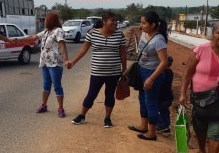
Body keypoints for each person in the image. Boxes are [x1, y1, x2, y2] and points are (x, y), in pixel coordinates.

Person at [179, 21, 219, 153]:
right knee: (200, 128)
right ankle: (201, 150)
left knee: (217, 132)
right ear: (212, 34)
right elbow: (187, 73)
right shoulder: (200, 50)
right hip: (200, 99)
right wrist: (182, 94)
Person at [65, 12, 127, 128]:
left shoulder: (120, 35)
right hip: (97, 72)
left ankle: (107, 118)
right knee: (91, 94)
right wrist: (73, 62)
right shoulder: (92, 34)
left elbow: (123, 54)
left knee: (109, 95)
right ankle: (82, 116)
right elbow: (83, 51)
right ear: (104, 21)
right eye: (112, 21)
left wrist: (124, 70)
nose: (115, 23)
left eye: (116, 21)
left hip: (113, 73)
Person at [14, 12, 69, 117]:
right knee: (46, 85)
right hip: (45, 62)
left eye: (46, 20)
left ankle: (61, 108)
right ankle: (44, 105)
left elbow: (62, 46)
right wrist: (18, 40)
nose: (44, 21)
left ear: (50, 20)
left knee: (57, 86)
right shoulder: (46, 32)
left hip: (55, 63)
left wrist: (66, 60)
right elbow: (33, 37)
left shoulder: (58, 31)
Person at [127, 11, 168, 141]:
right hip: (142, 70)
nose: (141, 25)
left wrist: (151, 78)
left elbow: (164, 62)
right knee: (142, 100)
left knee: (151, 103)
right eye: (141, 22)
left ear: (153, 24)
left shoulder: (159, 40)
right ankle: (143, 126)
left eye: (144, 23)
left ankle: (152, 132)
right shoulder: (145, 34)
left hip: (152, 73)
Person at [156, 56, 174, 136]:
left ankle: (162, 125)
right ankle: (166, 126)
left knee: (155, 109)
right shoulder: (170, 72)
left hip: (162, 96)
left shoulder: (162, 72)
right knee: (165, 111)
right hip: (168, 96)